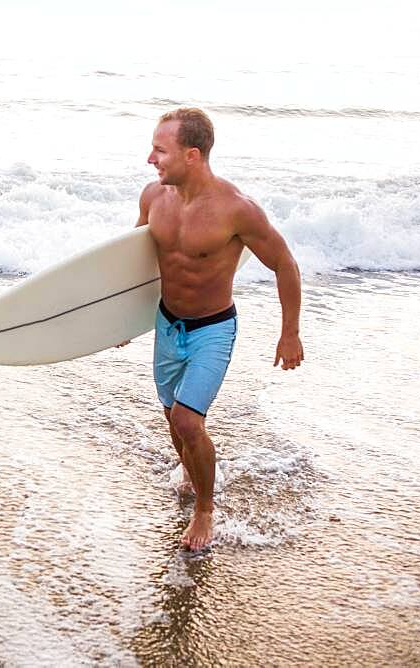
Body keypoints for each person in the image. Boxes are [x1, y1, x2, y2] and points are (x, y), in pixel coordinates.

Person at [133, 108, 303, 550]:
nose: (151, 158)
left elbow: (284, 262)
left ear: (192, 155)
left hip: (212, 328)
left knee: (189, 420)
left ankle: (205, 510)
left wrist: (290, 333)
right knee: (173, 419)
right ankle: (193, 474)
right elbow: (131, 269)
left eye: (160, 149)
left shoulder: (236, 210)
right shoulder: (152, 198)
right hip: (167, 325)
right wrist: (115, 322)